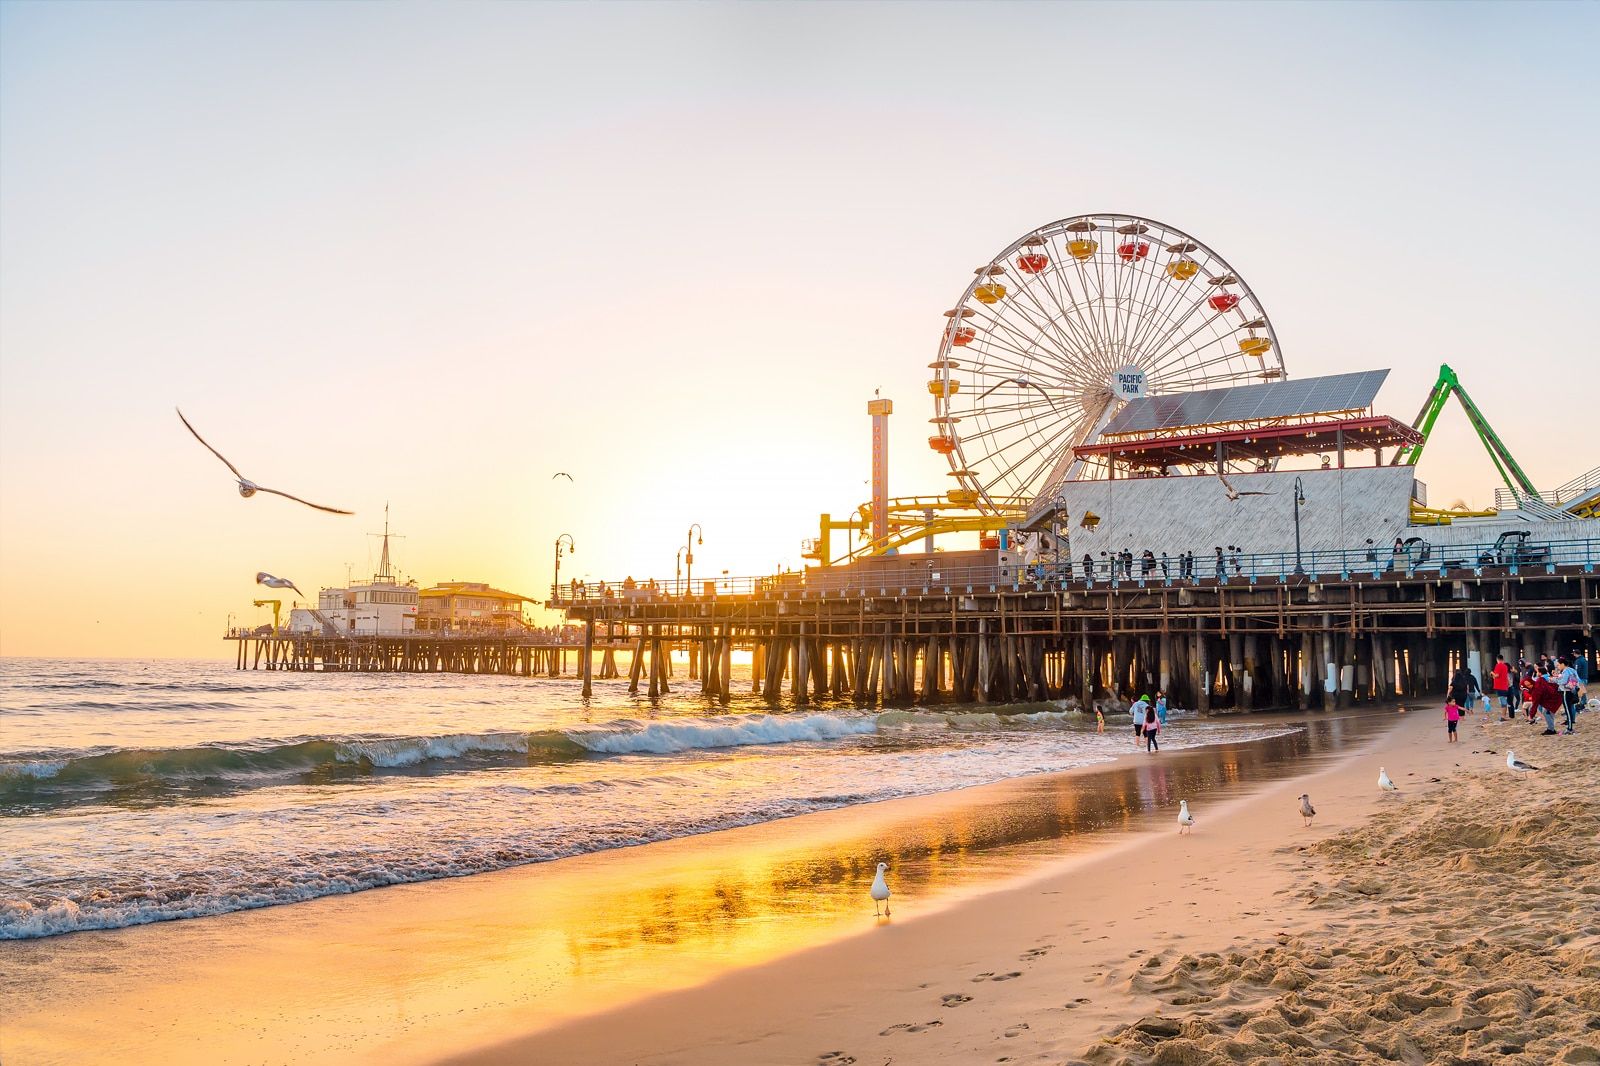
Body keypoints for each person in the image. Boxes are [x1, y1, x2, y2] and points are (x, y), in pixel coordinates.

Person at [1531, 669, 1563, 735]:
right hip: (1556, 697)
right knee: (1549, 713)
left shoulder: (1542, 679)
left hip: (1552, 699)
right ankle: (1551, 728)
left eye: (1537, 672)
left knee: (1547, 713)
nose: (1536, 673)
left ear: (1540, 673)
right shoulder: (1549, 677)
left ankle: (1551, 729)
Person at [1557, 657, 1581, 734]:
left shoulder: (1565, 671)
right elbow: (1578, 680)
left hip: (1565, 692)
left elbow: (1563, 682)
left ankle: (1570, 728)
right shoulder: (1572, 670)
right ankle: (1570, 727)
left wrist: (1555, 680)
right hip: (1572, 692)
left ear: (1563, 664)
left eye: (1558, 665)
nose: (1558, 667)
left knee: (1568, 710)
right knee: (1570, 709)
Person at [1491, 654, 1512, 720]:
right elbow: (1505, 676)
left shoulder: (1498, 665)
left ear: (1497, 659)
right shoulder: (1505, 666)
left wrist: (1491, 673)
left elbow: (1496, 675)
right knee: (1504, 701)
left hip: (1499, 686)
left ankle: (1503, 716)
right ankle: (1504, 716)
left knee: (1503, 702)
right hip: (1504, 686)